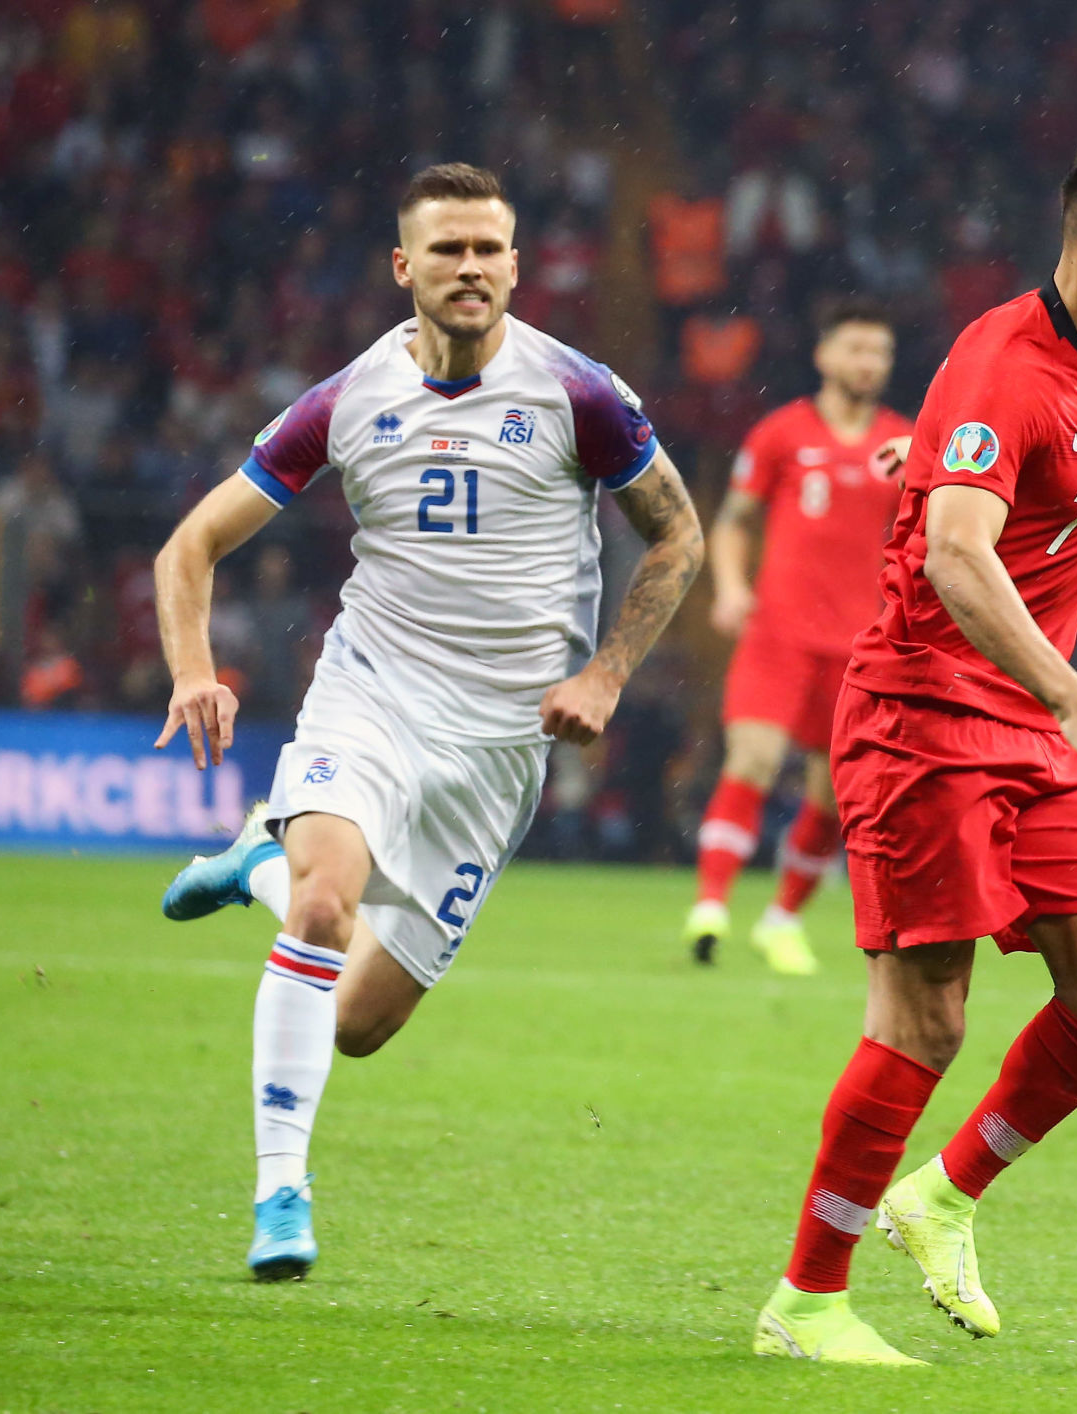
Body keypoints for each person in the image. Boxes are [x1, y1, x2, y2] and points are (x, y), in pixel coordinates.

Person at [149, 163, 703, 1280]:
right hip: (375, 694)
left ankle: (254, 857)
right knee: (321, 907)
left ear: (516, 263)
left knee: (358, 1021)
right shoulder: (347, 398)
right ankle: (279, 1191)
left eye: (487, 249)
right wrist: (192, 670)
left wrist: (602, 677)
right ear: (404, 267)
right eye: (445, 249)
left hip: (498, 751)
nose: (469, 268)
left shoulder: (578, 391)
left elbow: (678, 537)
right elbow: (189, 546)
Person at [752, 129, 1077, 1365]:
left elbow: (978, 489)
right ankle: (804, 1301)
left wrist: (941, 467)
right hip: (924, 714)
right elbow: (959, 557)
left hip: (1025, 716)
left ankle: (943, 1193)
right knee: (925, 1018)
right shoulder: (1002, 362)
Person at [683, 297, 913, 974]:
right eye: (856, 348)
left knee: (836, 799)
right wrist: (730, 587)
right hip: (779, 634)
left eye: (879, 352)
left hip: (861, 649)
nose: (868, 362)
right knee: (751, 758)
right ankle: (711, 908)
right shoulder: (782, 432)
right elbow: (733, 518)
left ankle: (782, 920)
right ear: (824, 355)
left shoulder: (902, 445)